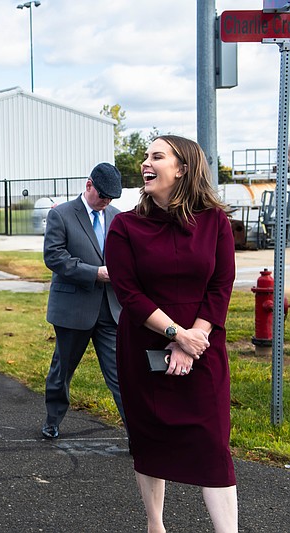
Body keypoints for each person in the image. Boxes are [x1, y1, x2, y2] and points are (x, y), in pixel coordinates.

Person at [106, 135, 237, 532]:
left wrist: (192, 338)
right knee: (151, 441)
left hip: (203, 345)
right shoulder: (125, 226)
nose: (145, 163)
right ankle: (155, 525)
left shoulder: (215, 222)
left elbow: (221, 285)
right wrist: (175, 333)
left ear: (182, 168)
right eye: (146, 156)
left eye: (156, 156)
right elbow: (129, 293)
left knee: (213, 445)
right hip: (145, 347)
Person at [40, 162, 126, 439]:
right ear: (88, 185)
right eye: (102, 196)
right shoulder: (62, 215)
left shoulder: (117, 216)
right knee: (62, 371)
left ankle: (136, 434)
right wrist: (95, 273)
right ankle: (52, 420)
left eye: (111, 198)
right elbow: (54, 257)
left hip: (110, 310)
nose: (106, 202)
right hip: (73, 310)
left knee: (120, 375)